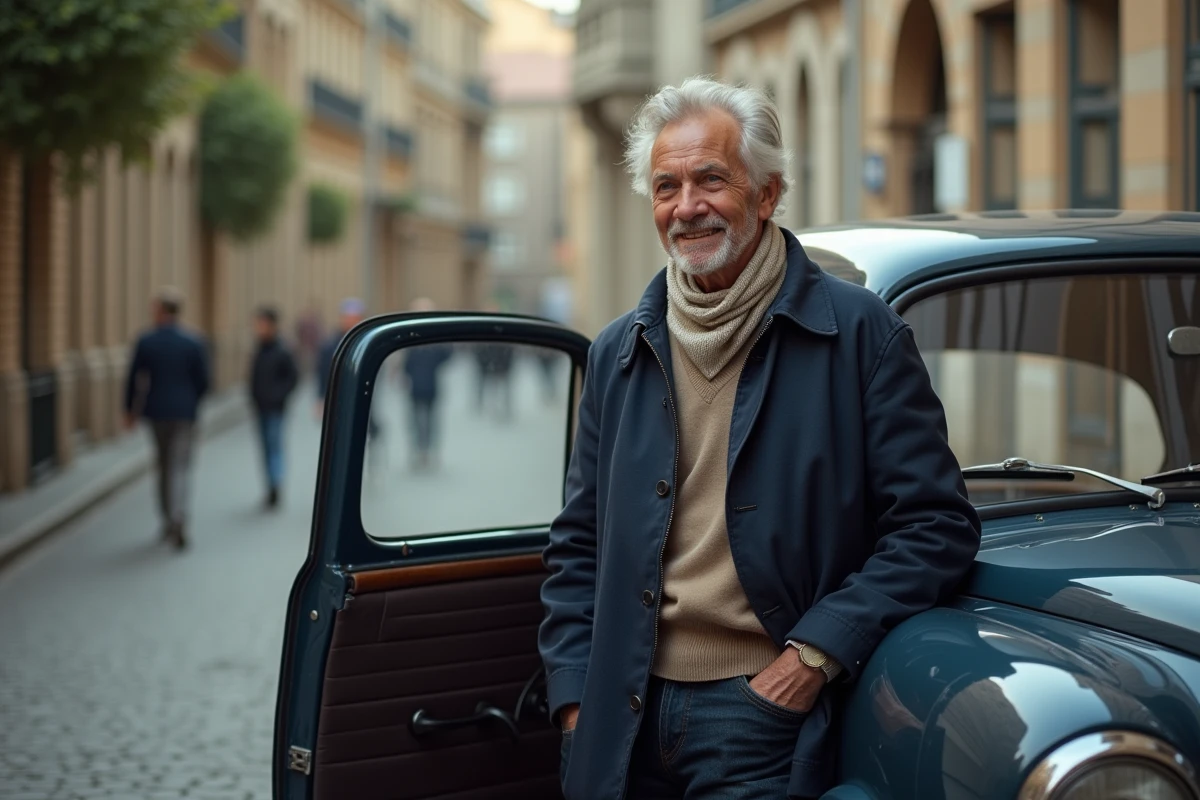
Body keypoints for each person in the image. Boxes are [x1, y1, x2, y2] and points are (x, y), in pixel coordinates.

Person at [538, 78, 982, 800]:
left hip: (762, 716)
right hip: (622, 715)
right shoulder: (618, 349)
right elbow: (578, 543)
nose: (687, 207)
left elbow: (936, 527)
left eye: (711, 179)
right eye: (666, 187)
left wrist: (812, 657)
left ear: (768, 194)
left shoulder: (859, 333)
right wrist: (572, 699)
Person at [124, 287, 210, 551]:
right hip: (185, 413)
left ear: (160, 311)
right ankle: (178, 516)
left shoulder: (146, 340)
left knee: (163, 466)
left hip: (157, 412)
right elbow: (204, 381)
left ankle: (167, 519)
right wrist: (192, 402)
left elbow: (133, 379)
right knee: (180, 467)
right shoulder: (193, 341)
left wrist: (130, 410)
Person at [249, 306, 299, 509]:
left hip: (276, 408)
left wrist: (279, 397)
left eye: (262, 324)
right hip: (260, 407)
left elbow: (293, 378)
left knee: (274, 445)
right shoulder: (259, 349)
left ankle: (275, 485)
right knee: (266, 447)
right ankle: (270, 485)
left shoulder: (282, 350)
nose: (258, 328)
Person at [400, 298, 453, 470]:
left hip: (431, 386)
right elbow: (404, 362)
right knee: (415, 421)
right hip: (414, 387)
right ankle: (417, 450)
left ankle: (428, 451)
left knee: (431, 421)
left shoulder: (435, 338)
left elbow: (447, 354)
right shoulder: (407, 334)